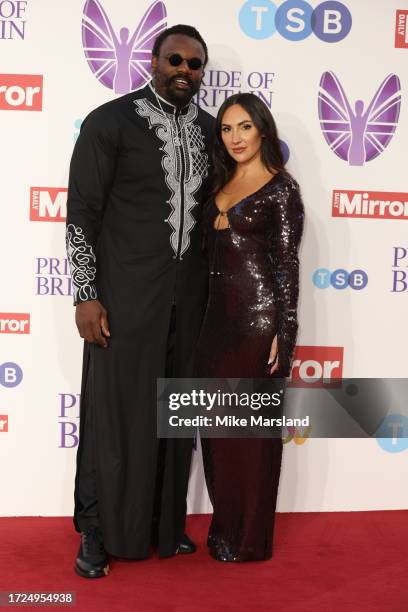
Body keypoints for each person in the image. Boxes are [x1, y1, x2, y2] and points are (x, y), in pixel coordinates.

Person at [65, 24, 214, 578]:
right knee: (114, 415)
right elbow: (82, 212)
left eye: (195, 64)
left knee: (172, 414)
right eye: (174, 59)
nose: (184, 71)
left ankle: (161, 526)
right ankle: (96, 532)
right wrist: (86, 294)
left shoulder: (206, 130)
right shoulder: (112, 122)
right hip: (124, 299)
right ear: (153, 61)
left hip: (188, 300)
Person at [195, 93, 304, 562]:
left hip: (258, 322)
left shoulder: (282, 189)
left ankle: (250, 539)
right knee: (217, 434)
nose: (235, 137)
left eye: (244, 127)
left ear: (262, 129)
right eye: (226, 129)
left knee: (251, 437)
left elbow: (286, 264)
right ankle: (224, 528)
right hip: (210, 323)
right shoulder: (215, 181)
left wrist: (285, 327)